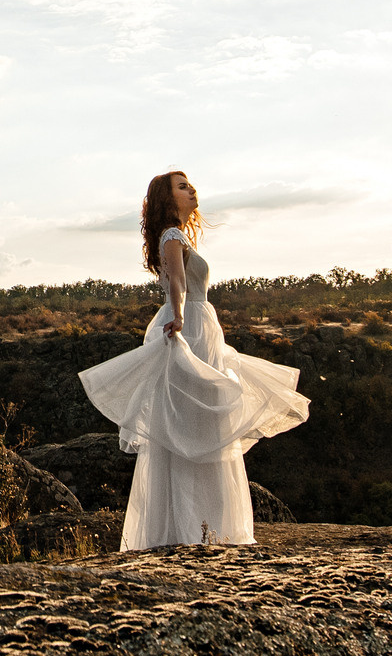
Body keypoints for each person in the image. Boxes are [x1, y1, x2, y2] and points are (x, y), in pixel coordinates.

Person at [77, 170, 309, 549]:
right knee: (194, 424)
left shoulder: (177, 236)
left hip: (202, 329)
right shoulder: (171, 236)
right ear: (168, 200)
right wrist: (180, 316)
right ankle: (193, 530)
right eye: (182, 187)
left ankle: (203, 526)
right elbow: (177, 283)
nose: (192, 190)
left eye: (190, 185)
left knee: (200, 423)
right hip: (191, 328)